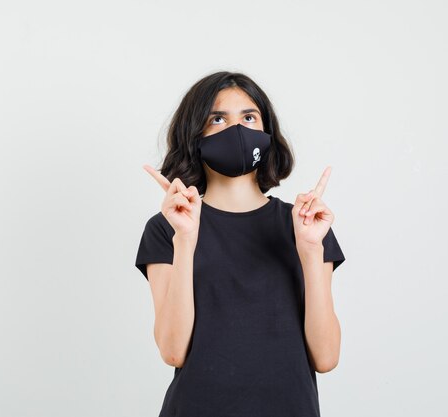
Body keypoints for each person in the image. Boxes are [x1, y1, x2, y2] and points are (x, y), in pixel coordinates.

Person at [134, 71, 346, 417]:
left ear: (266, 131)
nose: (237, 130)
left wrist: (310, 251)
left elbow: (326, 357)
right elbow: (173, 351)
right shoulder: (166, 229)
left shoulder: (306, 226)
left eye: (249, 117)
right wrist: (185, 240)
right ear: (195, 134)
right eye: (218, 118)